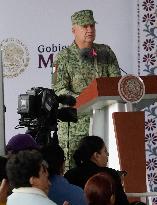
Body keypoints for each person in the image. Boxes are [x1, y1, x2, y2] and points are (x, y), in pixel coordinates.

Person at [52, 9, 121, 167]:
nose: (90, 30)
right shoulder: (63, 57)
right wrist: (86, 100)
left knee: (105, 172)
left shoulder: (105, 53)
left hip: (104, 121)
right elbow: (60, 90)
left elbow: (115, 84)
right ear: (74, 30)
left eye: (92, 26)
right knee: (75, 172)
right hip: (76, 126)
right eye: (85, 26)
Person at [64, 135, 129, 205]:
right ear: (96, 155)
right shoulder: (109, 175)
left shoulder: (69, 175)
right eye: (105, 151)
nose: (108, 154)